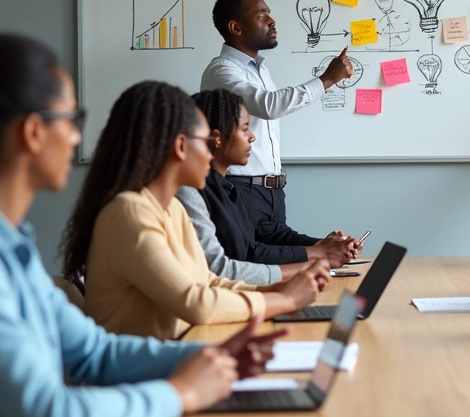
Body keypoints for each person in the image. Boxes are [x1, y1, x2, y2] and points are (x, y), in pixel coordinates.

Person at [0, 35, 283, 417]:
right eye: (72, 120)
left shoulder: (4, 240)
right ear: (33, 132)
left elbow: (95, 353)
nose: (77, 138)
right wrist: (181, 392)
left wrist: (210, 356)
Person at [59, 80, 329, 340]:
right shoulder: (129, 213)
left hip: (181, 352)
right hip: (144, 374)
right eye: (205, 142)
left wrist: (274, 288)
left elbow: (208, 280)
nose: (211, 153)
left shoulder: (172, 209)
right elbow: (196, 302)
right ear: (180, 146)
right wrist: (284, 299)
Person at [201, 0, 360, 267]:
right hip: (242, 187)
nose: (272, 21)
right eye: (262, 15)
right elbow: (270, 105)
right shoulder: (222, 70)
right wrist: (326, 80)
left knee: (279, 261)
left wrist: (323, 246)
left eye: (270, 14)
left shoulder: (260, 69)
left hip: (272, 190)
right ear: (235, 27)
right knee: (252, 263)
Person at [176, 88, 323, 285]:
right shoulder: (190, 192)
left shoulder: (230, 189)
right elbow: (227, 265)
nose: (252, 137)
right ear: (217, 137)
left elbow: (256, 241)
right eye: (245, 128)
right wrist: (311, 261)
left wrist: (320, 246)